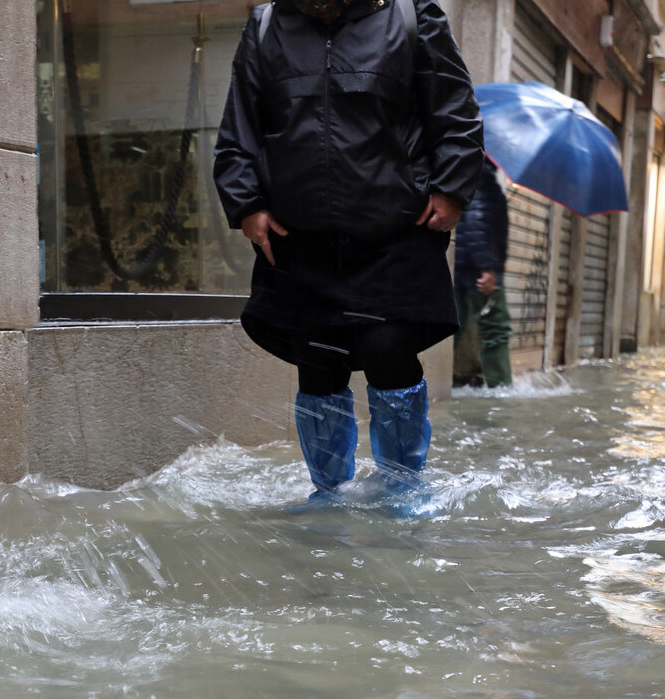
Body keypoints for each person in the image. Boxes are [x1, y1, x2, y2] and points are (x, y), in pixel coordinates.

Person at [213, 0, 483, 507]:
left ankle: (402, 487)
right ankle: (329, 495)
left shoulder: (413, 15)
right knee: (318, 361)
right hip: (300, 233)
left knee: (388, 349)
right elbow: (240, 124)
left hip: (395, 226)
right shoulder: (267, 24)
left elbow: (455, 111)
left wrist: (451, 188)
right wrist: (246, 203)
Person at [453, 159, 513, 388]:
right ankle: (501, 389)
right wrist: (487, 268)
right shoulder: (483, 176)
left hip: (460, 265)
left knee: (453, 328)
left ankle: (445, 385)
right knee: (496, 328)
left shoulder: (465, 172)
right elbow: (477, 221)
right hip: (478, 269)